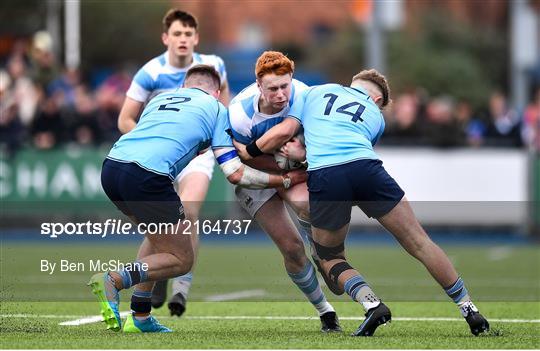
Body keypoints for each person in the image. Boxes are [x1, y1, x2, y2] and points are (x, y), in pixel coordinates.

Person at [234, 69, 490, 337]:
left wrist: (250, 152)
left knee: (330, 258)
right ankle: (469, 309)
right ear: (377, 99)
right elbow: (353, 147)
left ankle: (372, 304)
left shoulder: (315, 92)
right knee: (420, 242)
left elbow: (287, 130)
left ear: (353, 84)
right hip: (369, 170)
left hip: (328, 175)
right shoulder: (377, 118)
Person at [90, 65, 305, 333]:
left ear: (183, 87)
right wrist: (286, 180)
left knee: (157, 239)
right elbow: (235, 173)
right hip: (147, 177)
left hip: (112, 167)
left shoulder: (159, 99)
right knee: (181, 260)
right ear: (216, 93)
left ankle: (140, 316)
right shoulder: (217, 109)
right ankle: (114, 279)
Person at [116, 8, 230, 315]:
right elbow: (125, 119)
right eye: (177, 34)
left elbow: (225, 108)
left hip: (197, 153)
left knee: (187, 212)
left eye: (188, 34)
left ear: (196, 38)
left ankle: (180, 288)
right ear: (166, 38)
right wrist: (156, 140)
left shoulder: (213, 65)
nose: (183, 39)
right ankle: (156, 277)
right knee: (161, 225)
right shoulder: (150, 72)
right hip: (155, 157)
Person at [227, 51, 340, 332]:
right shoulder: (239, 113)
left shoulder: (302, 93)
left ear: (292, 80)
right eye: (273, 88)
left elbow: (321, 138)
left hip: (294, 164)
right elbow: (244, 159)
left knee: (309, 207)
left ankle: (321, 251)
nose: (280, 95)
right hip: (257, 177)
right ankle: (325, 311)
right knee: (291, 248)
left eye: (284, 86)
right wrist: (284, 168)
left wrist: (301, 155)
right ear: (258, 85)